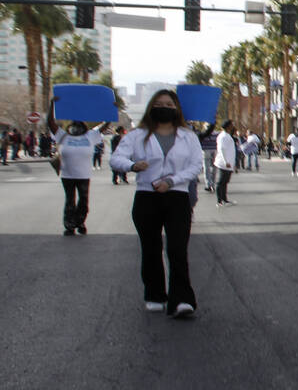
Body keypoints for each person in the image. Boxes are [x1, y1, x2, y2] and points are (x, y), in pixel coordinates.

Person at [110, 89, 202, 317]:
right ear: (151, 107)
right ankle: (154, 294)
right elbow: (116, 158)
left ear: (177, 109)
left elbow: (195, 166)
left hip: (177, 197)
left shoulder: (187, 136)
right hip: (146, 196)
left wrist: (172, 181)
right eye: (160, 103)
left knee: (177, 249)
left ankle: (182, 299)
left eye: (169, 104)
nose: (165, 107)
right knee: (151, 248)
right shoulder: (137, 135)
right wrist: (132, 166)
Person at [47, 100, 109, 236]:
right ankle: (69, 225)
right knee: (70, 200)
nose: (75, 128)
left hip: (83, 175)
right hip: (67, 175)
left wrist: (110, 110)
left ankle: (80, 222)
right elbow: (50, 122)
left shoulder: (90, 136)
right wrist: (52, 105)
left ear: (84, 127)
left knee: (83, 201)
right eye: (73, 126)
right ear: (70, 127)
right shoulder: (63, 136)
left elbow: (104, 126)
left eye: (78, 126)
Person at [214, 119, 237, 207]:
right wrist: (225, 161)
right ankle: (219, 201)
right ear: (228, 126)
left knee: (225, 182)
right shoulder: (223, 136)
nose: (232, 126)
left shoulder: (227, 135)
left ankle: (224, 199)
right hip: (224, 163)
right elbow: (221, 149)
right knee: (221, 182)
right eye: (231, 124)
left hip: (228, 163)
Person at [197, 122, 218, 193]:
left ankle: (209, 184)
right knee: (211, 168)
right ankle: (210, 184)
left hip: (208, 150)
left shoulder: (202, 134)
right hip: (209, 150)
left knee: (208, 168)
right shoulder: (216, 134)